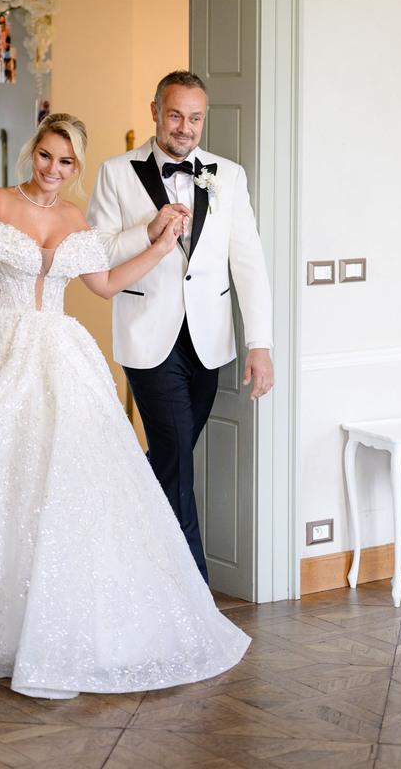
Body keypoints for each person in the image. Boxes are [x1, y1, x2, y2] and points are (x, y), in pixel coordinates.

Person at [0, 113, 250, 699]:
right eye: (47, 156)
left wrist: (159, 248)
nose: (54, 170)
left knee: (68, 488)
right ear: (34, 152)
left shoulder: (75, 218)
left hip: (61, 354)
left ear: (77, 168)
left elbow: (103, 286)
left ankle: (55, 620)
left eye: (67, 162)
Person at [87, 72, 274, 583]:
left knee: (172, 457)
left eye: (195, 118)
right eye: (175, 115)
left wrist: (260, 344)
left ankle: (121, 554)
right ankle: (192, 586)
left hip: (209, 342)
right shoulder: (116, 172)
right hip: (148, 335)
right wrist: (145, 232)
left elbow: (249, 263)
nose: (184, 128)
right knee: (178, 459)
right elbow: (95, 251)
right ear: (154, 111)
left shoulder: (227, 175)